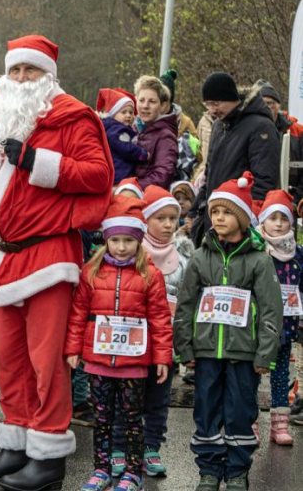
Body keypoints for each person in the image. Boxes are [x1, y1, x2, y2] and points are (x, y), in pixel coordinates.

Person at [0, 35, 113, 491]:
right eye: (15, 71)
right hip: (6, 258)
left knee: (46, 361)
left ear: (48, 74)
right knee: (9, 361)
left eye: (30, 71)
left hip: (50, 254)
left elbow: (99, 176)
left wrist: (36, 160)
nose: (22, 79)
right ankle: (16, 446)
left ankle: (48, 456)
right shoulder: (2, 122)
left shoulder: (73, 117)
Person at [174, 172, 282, 491]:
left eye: (226, 212)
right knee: (206, 410)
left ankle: (237, 470)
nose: (219, 218)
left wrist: (265, 354)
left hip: (244, 355)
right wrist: (186, 349)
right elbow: (185, 306)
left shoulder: (260, 261)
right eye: (214, 212)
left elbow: (270, 309)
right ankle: (209, 469)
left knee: (239, 412)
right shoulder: (199, 257)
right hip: (206, 353)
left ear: (243, 218)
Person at [65, 196, 172, 491]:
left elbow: (161, 320)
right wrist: (73, 349)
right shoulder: (92, 272)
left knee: (131, 419)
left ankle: (133, 471)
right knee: (102, 419)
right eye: (116, 240)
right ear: (107, 240)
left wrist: (162, 358)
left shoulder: (151, 275)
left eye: (128, 240)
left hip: (134, 366)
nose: (122, 247)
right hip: (99, 362)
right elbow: (78, 314)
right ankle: (101, 469)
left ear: (138, 241)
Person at [111, 186, 193, 479]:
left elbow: (187, 306)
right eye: (161, 218)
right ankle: (119, 448)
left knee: (158, 403)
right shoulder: (130, 252)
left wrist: (184, 348)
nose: (169, 224)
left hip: (165, 347)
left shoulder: (184, 261)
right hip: (132, 347)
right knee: (125, 402)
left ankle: (151, 448)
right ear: (146, 220)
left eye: (173, 218)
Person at [188, 73, 280, 233]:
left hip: (239, 224)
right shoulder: (218, 126)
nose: (211, 110)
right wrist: (194, 211)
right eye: (207, 105)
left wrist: (242, 220)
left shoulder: (261, 127)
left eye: (216, 103)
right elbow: (210, 175)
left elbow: (264, 182)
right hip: (214, 219)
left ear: (231, 97)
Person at [257, 190, 301, 445]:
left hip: (288, 324)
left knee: (280, 374)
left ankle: (280, 425)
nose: (279, 224)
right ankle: (249, 422)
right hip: (261, 326)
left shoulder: (298, 255)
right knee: (253, 374)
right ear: (263, 221)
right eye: (273, 218)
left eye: (284, 218)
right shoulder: (257, 250)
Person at [131, 76, 177, 190]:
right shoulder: (131, 129)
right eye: (141, 100)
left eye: (152, 101)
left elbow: (162, 176)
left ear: (162, 106)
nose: (145, 106)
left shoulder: (166, 136)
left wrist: (129, 188)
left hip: (148, 202)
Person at [257, 81, 303, 192]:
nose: (265, 108)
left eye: (269, 103)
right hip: (258, 198)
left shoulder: (298, 132)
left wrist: (296, 200)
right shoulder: (247, 130)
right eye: (261, 104)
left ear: (278, 106)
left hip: (290, 198)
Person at [97, 88, 146, 184]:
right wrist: (143, 154)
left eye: (131, 112)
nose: (128, 115)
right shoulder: (116, 130)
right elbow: (126, 149)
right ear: (113, 114)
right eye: (123, 112)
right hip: (119, 175)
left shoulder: (116, 128)